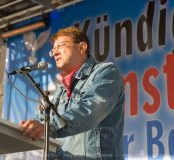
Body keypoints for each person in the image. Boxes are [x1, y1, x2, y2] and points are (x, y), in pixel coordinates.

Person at [19, 26, 125, 160]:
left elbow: (90, 109)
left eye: (60, 45)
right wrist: (30, 127)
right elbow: (42, 120)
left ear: (82, 48)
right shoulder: (59, 90)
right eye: (53, 50)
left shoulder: (106, 72)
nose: (55, 53)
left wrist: (48, 126)